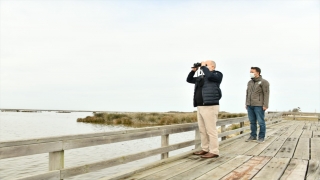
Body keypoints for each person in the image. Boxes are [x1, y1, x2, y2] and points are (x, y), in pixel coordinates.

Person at [186, 60, 223, 158]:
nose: (204, 67)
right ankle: (205, 149)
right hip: (200, 106)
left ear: (213, 66)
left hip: (210, 106)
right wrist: (194, 70)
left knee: (211, 130)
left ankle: (214, 151)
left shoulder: (217, 74)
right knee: (202, 129)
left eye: (206, 65)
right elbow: (189, 80)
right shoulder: (201, 77)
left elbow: (210, 76)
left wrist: (203, 67)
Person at [245, 67, 270, 143]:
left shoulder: (264, 82)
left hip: (259, 105)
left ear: (257, 72)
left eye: (252, 72)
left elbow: (266, 94)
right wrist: (246, 103)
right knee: (252, 122)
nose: (250, 73)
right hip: (250, 105)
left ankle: (261, 137)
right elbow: (247, 94)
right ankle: (253, 136)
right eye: (250, 72)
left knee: (261, 122)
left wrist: (265, 105)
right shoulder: (250, 82)